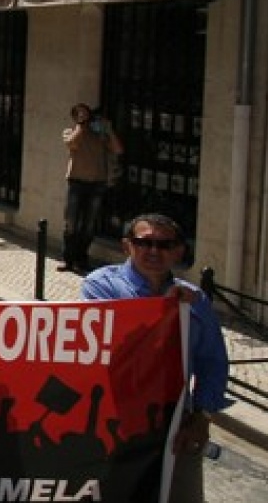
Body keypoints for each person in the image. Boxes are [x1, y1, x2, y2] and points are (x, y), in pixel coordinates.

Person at [81, 214, 228, 501]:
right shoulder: (100, 286)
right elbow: (110, 343)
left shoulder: (195, 301)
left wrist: (201, 416)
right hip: (115, 423)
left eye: (164, 245)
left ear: (178, 252)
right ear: (127, 246)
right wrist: (161, 309)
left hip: (176, 427)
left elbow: (213, 362)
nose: (153, 251)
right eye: (144, 242)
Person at [60, 103, 124, 274]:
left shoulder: (100, 134)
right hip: (76, 182)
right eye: (79, 114)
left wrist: (108, 130)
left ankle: (82, 259)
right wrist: (81, 125)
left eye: (85, 113)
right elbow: (72, 143)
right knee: (71, 223)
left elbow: (118, 149)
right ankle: (68, 259)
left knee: (88, 225)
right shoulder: (70, 132)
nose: (83, 117)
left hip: (97, 183)